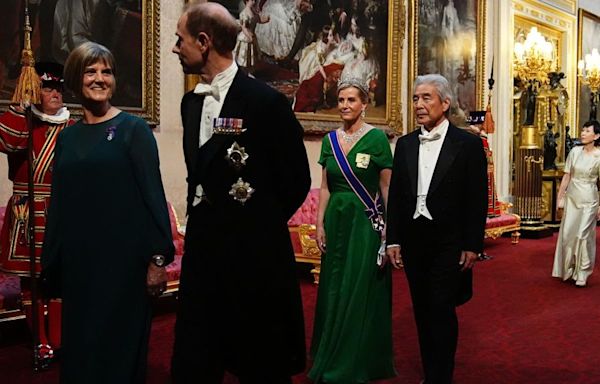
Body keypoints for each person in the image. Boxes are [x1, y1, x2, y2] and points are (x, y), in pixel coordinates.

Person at [171, 3, 311, 383]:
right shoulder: (191, 103)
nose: (174, 48)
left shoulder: (265, 102)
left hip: (254, 254)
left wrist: (257, 223)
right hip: (203, 253)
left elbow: (296, 178)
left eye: (179, 39)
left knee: (259, 361)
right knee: (199, 358)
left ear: (204, 41)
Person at [40, 41, 174, 383]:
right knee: (81, 352)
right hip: (79, 268)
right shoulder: (67, 138)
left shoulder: (134, 131)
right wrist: (51, 262)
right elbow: (61, 203)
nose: (100, 79)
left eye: (107, 72)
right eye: (91, 71)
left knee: (118, 354)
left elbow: (153, 198)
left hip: (123, 269)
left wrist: (158, 259)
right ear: (75, 78)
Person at [386, 74, 487, 384]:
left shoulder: (468, 143)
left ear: (445, 103)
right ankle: (431, 372)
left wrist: (472, 244)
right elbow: (398, 198)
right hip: (415, 242)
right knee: (422, 311)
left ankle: (440, 376)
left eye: (426, 97)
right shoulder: (404, 144)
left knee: (442, 309)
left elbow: (477, 197)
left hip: (450, 242)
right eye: (416, 98)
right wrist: (393, 241)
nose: (419, 104)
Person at [309, 75, 396, 383]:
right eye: (341, 100)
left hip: (364, 223)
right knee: (332, 287)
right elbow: (325, 187)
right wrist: (319, 222)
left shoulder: (377, 139)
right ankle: (328, 351)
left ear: (364, 105)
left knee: (358, 287)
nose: (345, 105)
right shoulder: (330, 140)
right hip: (335, 219)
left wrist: (391, 233)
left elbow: (387, 189)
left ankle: (355, 358)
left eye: (351, 100)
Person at [0, 61, 73, 366]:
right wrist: (20, 107)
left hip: (61, 210)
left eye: (58, 87)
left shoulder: (73, 127)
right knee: (31, 281)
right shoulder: (24, 122)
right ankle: (39, 340)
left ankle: (58, 339)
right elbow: (7, 142)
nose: (54, 93)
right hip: (28, 211)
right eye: (47, 87)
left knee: (60, 277)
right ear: (36, 89)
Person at [552, 120, 600, 287]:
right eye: (583, 130)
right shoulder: (574, 152)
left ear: (597, 136)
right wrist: (559, 198)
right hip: (572, 198)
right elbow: (567, 176)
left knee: (583, 235)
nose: (583, 133)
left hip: (589, 199)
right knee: (568, 235)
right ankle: (570, 268)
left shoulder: (599, 155)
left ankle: (583, 271)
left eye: (587, 131)